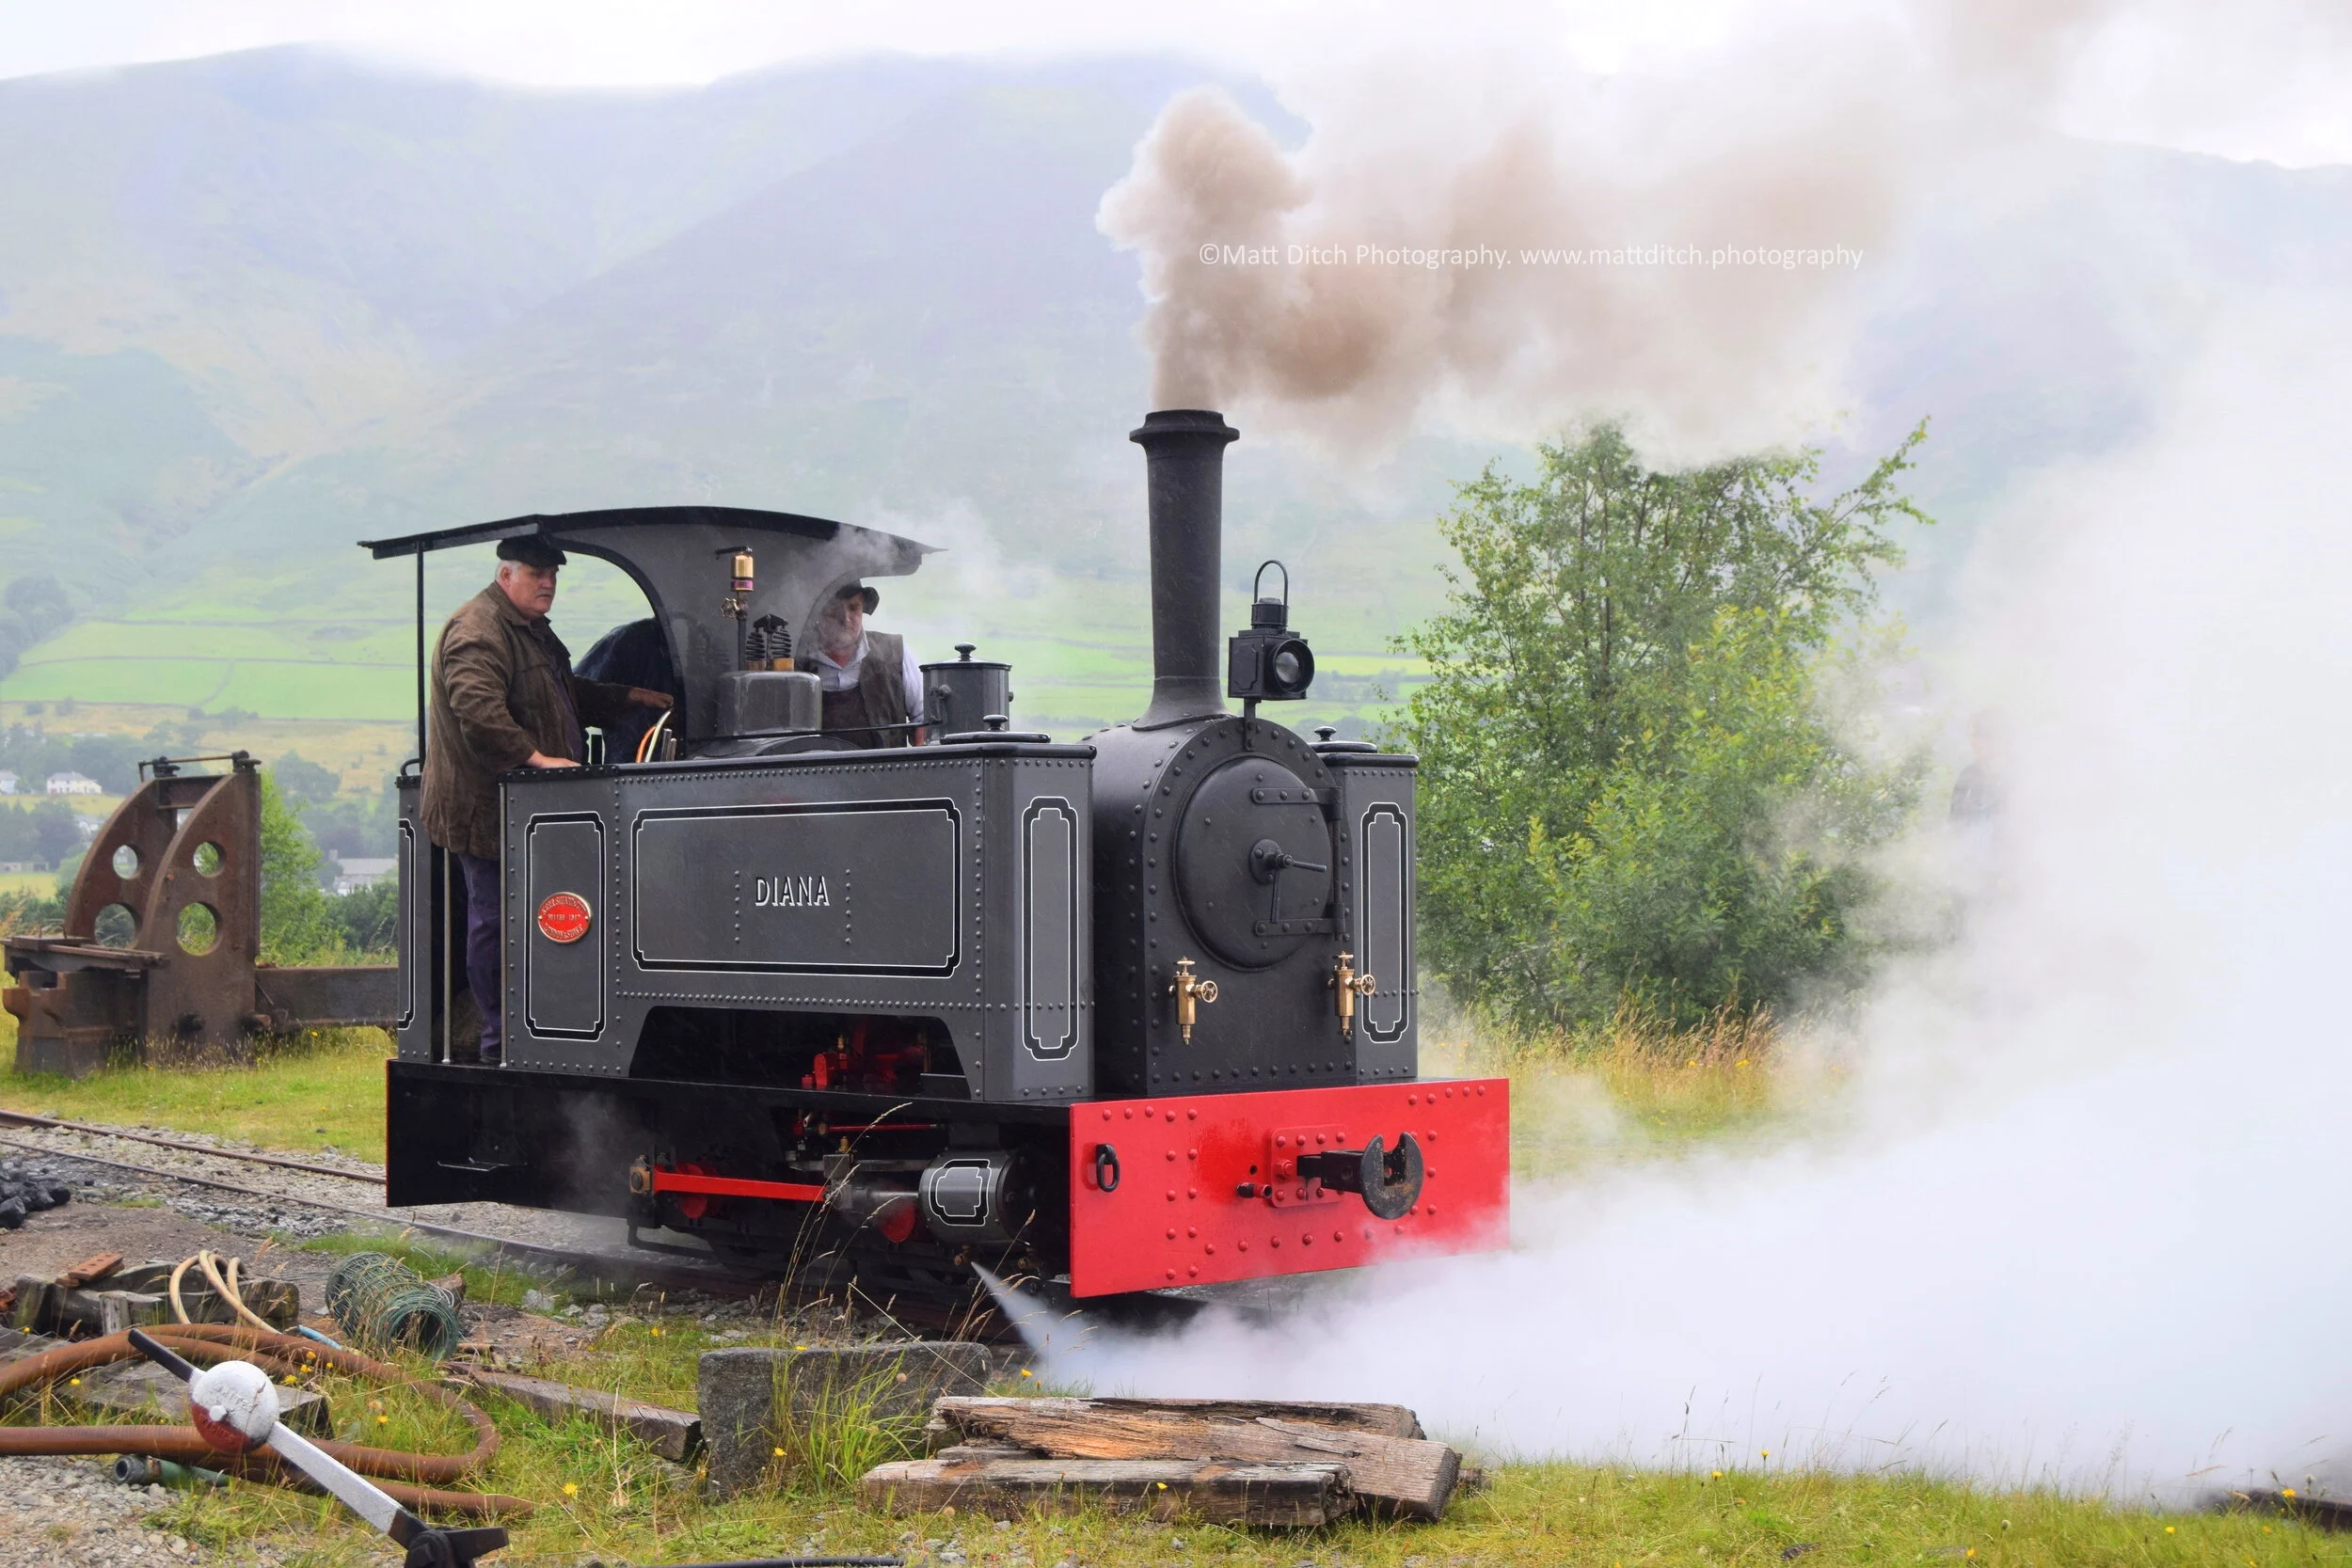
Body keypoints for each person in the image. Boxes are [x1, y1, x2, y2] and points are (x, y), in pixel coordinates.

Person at [421, 537, 671, 1063]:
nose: (548, 582)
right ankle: (497, 1041)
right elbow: (478, 713)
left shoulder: (529, 630)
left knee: (543, 922)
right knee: (494, 921)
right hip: (489, 810)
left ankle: (543, 1025)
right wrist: (538, 759)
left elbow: (562, 695)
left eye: (553, 574)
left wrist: (629, 697)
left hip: (535, 814)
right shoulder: (477, 630)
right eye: (537, 573)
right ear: (505, 575)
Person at [798, 580, 924, 748]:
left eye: (853, 608)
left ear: (862, 609)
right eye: (834, 610)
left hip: (886, 766)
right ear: (818, 613)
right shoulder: (795, 663)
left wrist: (919, 756)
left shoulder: (896, 653)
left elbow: (924, 718)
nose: (845, 619)